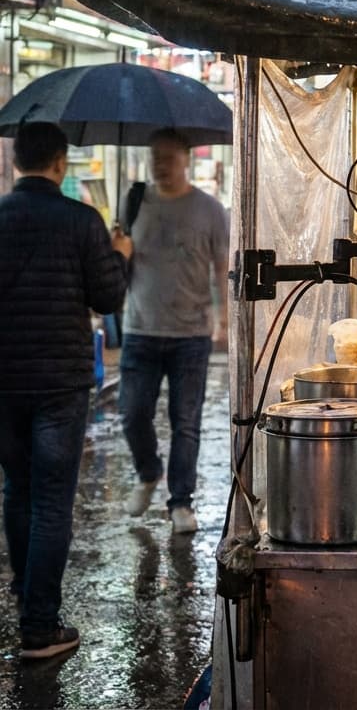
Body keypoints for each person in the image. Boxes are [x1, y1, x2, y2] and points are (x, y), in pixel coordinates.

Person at [0, 122, 131, 659]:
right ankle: (39, 626)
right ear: (59, 163)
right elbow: (108, 299)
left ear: (16, 162)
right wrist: (120, 254)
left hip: (5, 380)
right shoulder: (82, 220)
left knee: (17, 489)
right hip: (60, 382)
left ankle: (25, 588)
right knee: (52, 501)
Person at [113, 128, 229, 535]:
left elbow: (221, 266)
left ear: (186, 159)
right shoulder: (134, 201)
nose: (159, 165)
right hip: (140, 329)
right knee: (132, 413)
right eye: (154, 157)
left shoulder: (210, 210)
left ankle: (181, 501)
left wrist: (223, 317)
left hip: (190, 334)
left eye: (168, 157)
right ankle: (148, 473)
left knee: (186, 422)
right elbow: (120, 257)